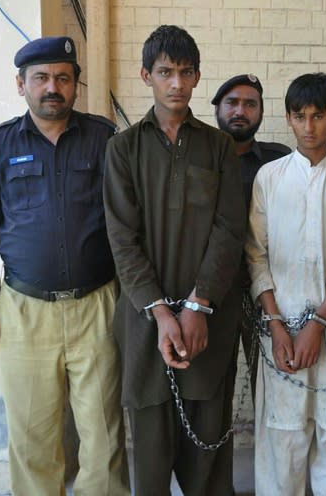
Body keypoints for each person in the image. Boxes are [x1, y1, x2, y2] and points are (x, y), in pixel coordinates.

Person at [0, 36, 129, 496]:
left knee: (105, 436)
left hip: (97, 307)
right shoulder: (0, 146)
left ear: (76, 84)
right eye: (40, 78)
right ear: (21, 85)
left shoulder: (104, 140)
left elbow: (126, 222)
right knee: (33, 438)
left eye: (62, 77)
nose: (51, 87)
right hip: (25, 311)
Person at [103, 25, 246, 496]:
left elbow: (229, 232)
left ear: (198, 77)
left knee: (208, 464)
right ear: (147, 76)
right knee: (150, 464)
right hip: (146, 328)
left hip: (208, 325)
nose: (177, 84)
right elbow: (123, 240)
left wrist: (197, 306)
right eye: (165, 72)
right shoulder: (122, 149)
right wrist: (163, 313)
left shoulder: (220, 147)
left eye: (186, 73)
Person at [246, 72, 326, 495]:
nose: (309, 127)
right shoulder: (269, 178)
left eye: (317, 116)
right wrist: (278, 328)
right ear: (288, 119)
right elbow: (256, 254)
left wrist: (319, 324)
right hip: (282, 337)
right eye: (299, 116)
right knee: (282, 443)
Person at [212, 74, 290, 399]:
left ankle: (269, 452)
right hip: (216, 293)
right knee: (214, 389)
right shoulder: (200, 159)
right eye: (232, 103)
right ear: (217, 108)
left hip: (267, 293)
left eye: (249, 104)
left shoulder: (279, 160)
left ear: (260, 111)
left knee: (272, 387)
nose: (240, 111)